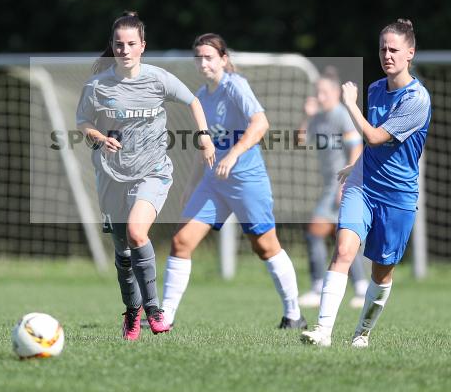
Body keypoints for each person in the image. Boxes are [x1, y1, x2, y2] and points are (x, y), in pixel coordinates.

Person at [76, 11, 216, 340]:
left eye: (131, 44)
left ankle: (154, 310)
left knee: (137, 233)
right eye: (118, 44)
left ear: (143, 46)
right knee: (123, 253)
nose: (124, 50)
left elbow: (194, 101)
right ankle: (132, 312)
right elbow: (83, 122)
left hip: (152, 172)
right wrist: (99, 137)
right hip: (111, 175)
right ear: (112, 46)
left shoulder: (158, 79)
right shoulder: (97, 86)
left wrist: (204, 136)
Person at [161, 33, 306, 329]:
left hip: (246, 181)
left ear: (223, 59)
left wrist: (233, 155)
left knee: (265, 247)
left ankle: (294, 315)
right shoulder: (201, 97)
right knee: (181, 241)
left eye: (209, 57)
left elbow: (261, 123)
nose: (203, 63)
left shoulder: (235, 85)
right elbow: (206, 147)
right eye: (198, 58)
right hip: (213, 183)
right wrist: (191, 184)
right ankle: (165, 318)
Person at [301, 18, 431, 348]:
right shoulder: (375, 89)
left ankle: (362, 332)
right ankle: (322, 332)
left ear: (410, 53)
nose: (387, 55)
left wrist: (349, 104)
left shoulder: (416, 99)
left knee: (381, 272)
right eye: (382, 49)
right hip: (363, 185)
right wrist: (355, 166)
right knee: (344, 249)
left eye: (394, 50)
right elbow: (372, 147)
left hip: (398, 195)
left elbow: (374, 137)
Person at [297, 75, 367, 309]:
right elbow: (300, 141)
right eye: (318, 92)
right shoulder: (318, 118)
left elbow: (356, 147)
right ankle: (361, 288)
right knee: (344, 236)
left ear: (336, 93)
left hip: (343, 184)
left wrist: (346, 183)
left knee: (316, 232)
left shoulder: (341, 115)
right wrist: (307, 115)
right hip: (331, 185)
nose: (320, 96)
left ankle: (319, 288)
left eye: (324, 92)